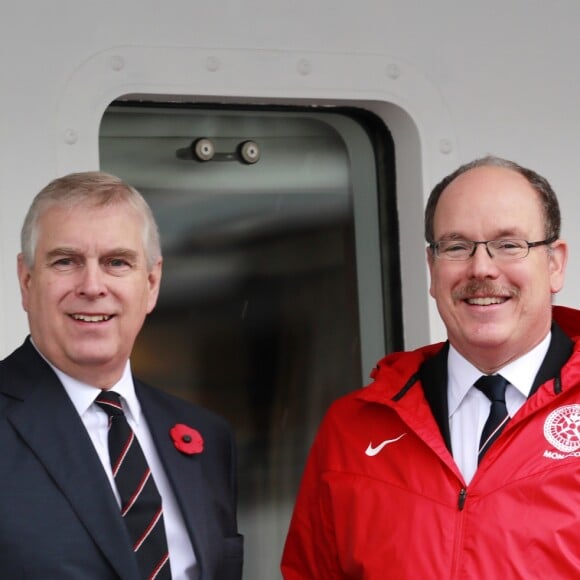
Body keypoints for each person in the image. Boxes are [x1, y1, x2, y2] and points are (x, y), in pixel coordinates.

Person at [281, 155, 580, 577]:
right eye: (457, 247)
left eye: (509, 244)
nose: (482, 268)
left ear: (554, 263)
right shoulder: (353, 428)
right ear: (431, 267)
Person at [0, 172, 243, 579]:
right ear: (26, 281)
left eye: (116, 262)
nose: (92, 286)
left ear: (151, 283)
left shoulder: (205, 438)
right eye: (66, 261)